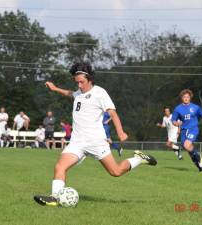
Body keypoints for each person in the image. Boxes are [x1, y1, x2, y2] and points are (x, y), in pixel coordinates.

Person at [34, 62, 157, 206]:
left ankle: (139, 158)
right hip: (77, 142)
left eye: (82, 82)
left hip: (96, 142)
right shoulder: (79, 93)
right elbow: (70, 93)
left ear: (90, 79)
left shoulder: (100, 93)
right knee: (59, 167)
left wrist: (121, 132)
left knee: (116, 172)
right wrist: (55, 88)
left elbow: (113, 113)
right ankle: (54, 198)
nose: (79, 85)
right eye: (77, 82)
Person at [171, 89, 202, 173]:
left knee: (187, 145)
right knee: (189, 150)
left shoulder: (195, 107)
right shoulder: (177, 109)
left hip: (193, 129)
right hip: (183, 131)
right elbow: (173, 120)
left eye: (187, 97)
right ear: (182, 98)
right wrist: (176, 123)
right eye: (184, 97)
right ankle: (200, 167)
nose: (186, 98)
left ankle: (199, 157)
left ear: (190, 98)